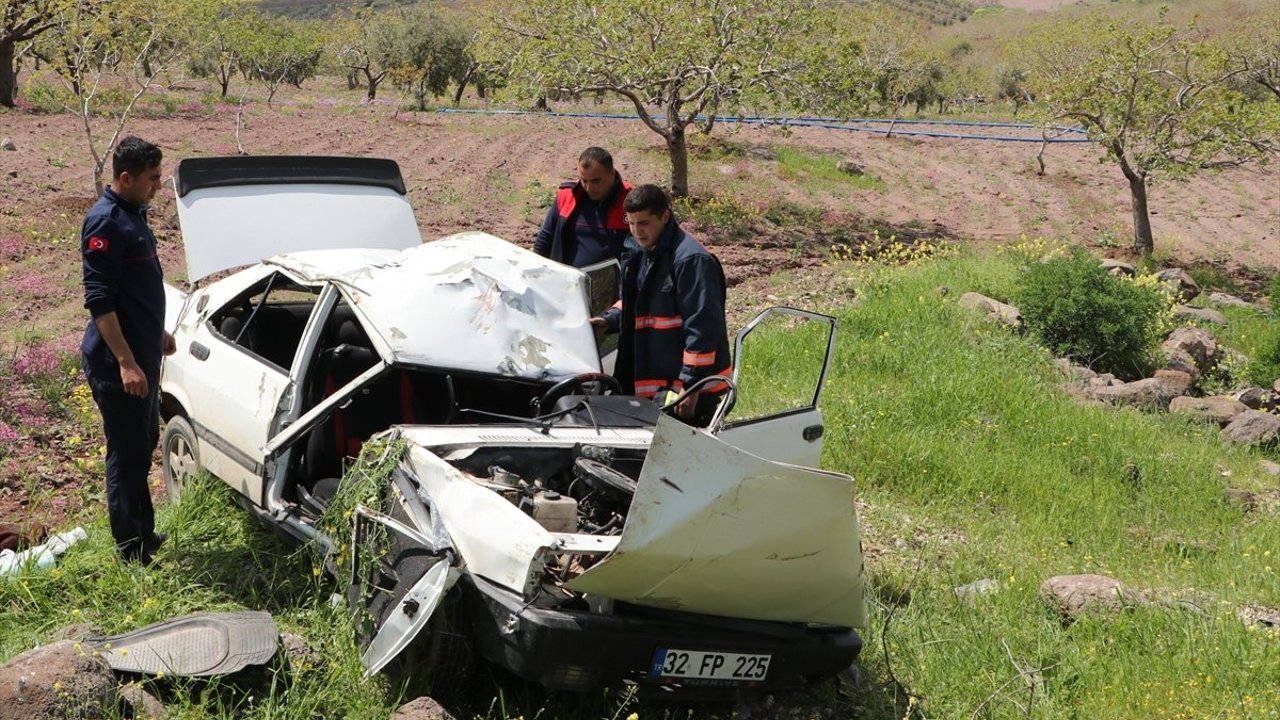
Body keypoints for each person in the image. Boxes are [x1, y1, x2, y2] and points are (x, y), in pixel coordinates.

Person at [80, 136, 176, 564]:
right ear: (126, 177)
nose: (159, 186)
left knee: (143, 442)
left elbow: (136, 291)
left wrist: (158, 333)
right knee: (127, 452)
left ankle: (144, 535)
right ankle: (130, 552)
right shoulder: (105, 223)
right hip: (120, 363)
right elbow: (100, 300)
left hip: (143, 354)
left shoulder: (133, 214)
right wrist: (126, 362)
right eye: (152, 178)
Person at [592, 184, 732, 427]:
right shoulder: (642, 252)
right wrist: (609, 319)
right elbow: (637, 303)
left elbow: (702, 327)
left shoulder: (691, 260)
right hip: (656, 391)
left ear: (665, 216)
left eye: (644, 223)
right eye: (631, 223)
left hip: (688, 394)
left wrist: (691, 386)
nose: (637, 231)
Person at [534, 146, 634, 268]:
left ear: (612, 173)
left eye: (596, 181)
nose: (589, 188)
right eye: (584, 181)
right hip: (569, 280)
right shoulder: (567, 196)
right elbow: (545, 239)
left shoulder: (630, 200)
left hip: (616, 284)